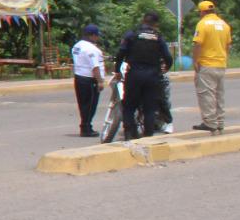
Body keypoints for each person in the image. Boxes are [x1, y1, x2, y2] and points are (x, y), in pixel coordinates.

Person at [115, 12, 172, 140]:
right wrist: (165, 68)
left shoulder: (132, 34)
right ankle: (148, 134)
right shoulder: (158, 37)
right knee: (149, 107)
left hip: (134, 74)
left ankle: (130, 133)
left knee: (129, 105)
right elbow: (168, 57)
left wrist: (118, 70)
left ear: (143, 20)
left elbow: (121, 53)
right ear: (156, 24)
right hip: (152, 75)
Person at [191, 0, 233, 135]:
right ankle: (220, 123)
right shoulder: (224, 24)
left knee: (206, 94)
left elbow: (197, 44)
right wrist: (224, 59)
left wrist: (195, 61)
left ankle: (210, 122)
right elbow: (228, 45)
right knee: (219, 95)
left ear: (202, 12)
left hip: (207, 64)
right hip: (221, 64)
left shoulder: (202, 24)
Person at [70, 24, 107, 137]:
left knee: (83, 104)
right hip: (89, 80)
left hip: (79, 77)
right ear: (92, 36)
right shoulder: (91, 49)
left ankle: (85, 126)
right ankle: (86, 128)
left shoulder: (77, 46)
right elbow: (95, 67)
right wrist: (100, 81)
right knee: (90, 105)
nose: (97, 38)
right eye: (96, 36)